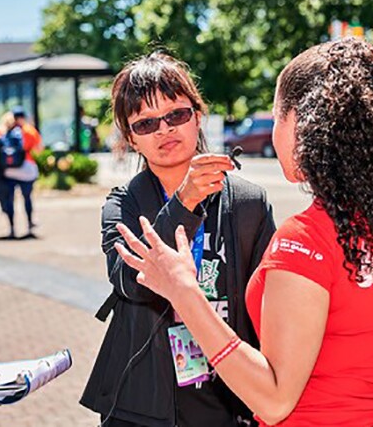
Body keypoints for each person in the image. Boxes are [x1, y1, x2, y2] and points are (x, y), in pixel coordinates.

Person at [113, 38, 373, 427]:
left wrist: (184, 292)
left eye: (276, 118)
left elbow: (273, 401)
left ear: (301, 124)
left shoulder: (304, 241)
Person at [80, 51, 277, 427]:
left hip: (227, 399)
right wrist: (183, 202)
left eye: (176, 115)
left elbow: (267, 310)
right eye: (145, 123)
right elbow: (130, 281)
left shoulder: (248, 203)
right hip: (141, 403)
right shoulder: (123, 203)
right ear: (132, 139)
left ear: (197, 116)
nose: (164, 129)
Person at [0, 107, 43, 238]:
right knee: (27, 197)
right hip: (26, 169)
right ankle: (30, 225)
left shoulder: (1, 130)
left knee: (10, 200)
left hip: (8, 170)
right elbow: (39, 149)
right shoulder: (29, 130)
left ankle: (12, 229)